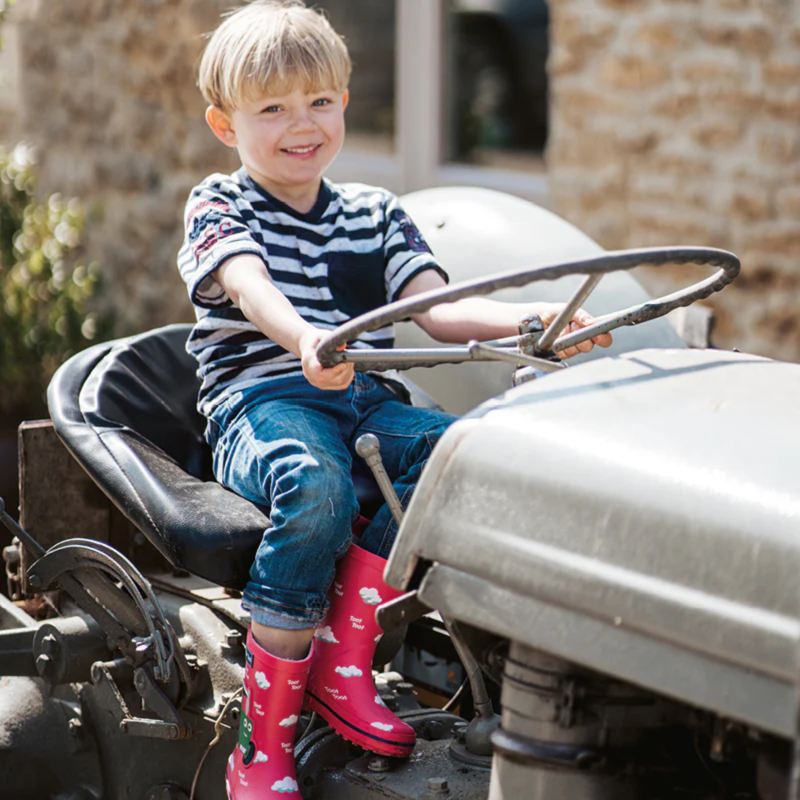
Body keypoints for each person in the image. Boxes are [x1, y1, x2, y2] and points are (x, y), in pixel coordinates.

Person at [178, 2, 612, 797]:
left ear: (344, 103)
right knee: (318, 486)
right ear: (223, 123)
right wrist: (305, 337)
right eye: (271, 108)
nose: (300, 124)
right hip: (263, 404)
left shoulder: (375, 214)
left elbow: (439, 312)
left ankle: (344, 662)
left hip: (362, 402)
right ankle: (260, 738)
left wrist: (528, 320)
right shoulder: (219, 206)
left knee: (460, 456)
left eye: (318, 101)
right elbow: (249, 285)